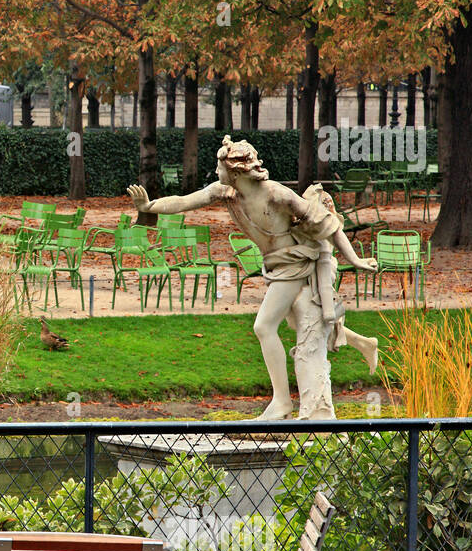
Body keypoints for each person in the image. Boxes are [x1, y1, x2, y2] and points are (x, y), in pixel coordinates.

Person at [128, 135, 379, 420]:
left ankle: (283, 403)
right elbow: (185, 201)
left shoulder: (276, 193)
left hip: (297, 265)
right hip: (276, 268)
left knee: (264, 326)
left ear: (236, 172)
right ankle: (363, 343)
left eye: (220, 168)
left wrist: (355, 259)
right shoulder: (225, 192)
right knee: (304, 324)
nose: (217, 173)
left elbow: (329, 223)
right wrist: (148, 208)